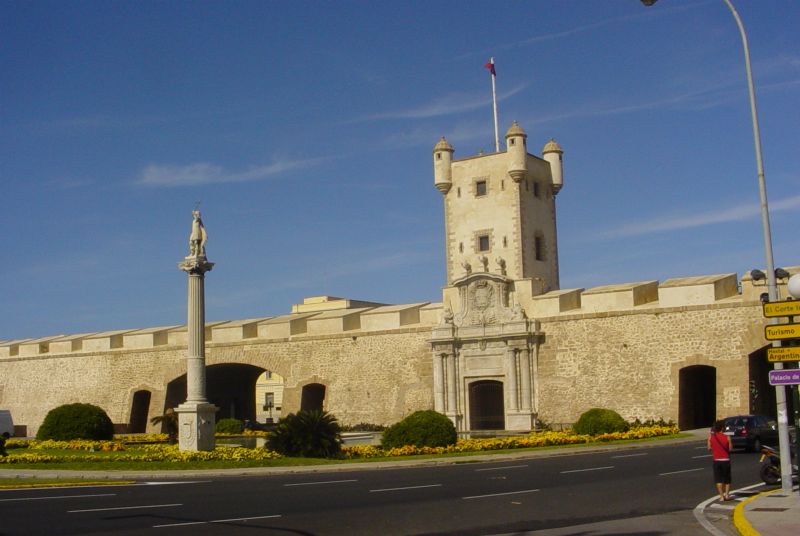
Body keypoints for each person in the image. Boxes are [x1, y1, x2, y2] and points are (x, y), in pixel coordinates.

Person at [707, 420, 733, 501]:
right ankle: (727, 495)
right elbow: (730, 449)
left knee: (718, 479)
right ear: (722, 428)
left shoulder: (711, 437)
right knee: (727, 479)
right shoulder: (727, 437)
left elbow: (709, 448)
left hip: (716, 460)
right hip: (726, 460)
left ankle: (721, 496)